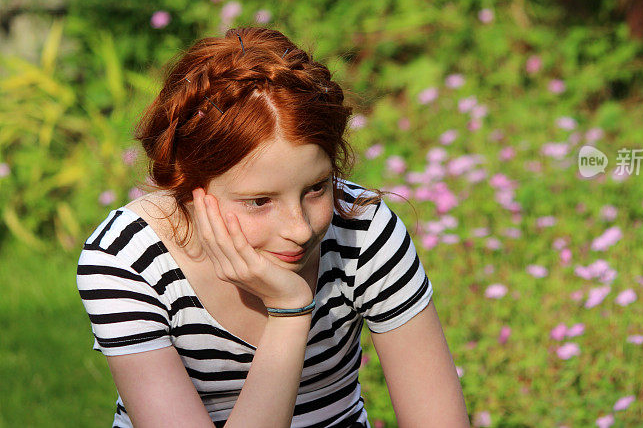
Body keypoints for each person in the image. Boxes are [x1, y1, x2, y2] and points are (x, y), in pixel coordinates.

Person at [75, 27, 470, 427]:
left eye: (316, 187)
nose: (299, 229)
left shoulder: (361, 228)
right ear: (188, 182)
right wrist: (290, 313)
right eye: (260, 201)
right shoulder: (126, 261)